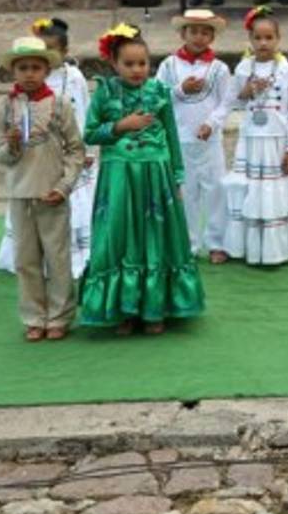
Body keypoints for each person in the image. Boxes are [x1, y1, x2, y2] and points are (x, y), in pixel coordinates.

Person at [80, 24, 206, 335]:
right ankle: (124, 309)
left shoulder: (158, 91)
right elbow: (91, 133)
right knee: (120, 238)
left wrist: (177, 174)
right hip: (119, 176)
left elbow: (172, 136)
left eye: (142, 63)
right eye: (129, 64)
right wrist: (122, 125)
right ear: (114, 63)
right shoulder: (104, 92)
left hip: (156, 174)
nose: (137, 70)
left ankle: (155, 308)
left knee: (156, 236)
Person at [0, 37, 85, 342]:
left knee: (57, 259)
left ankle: (59, 316)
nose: (29, 73)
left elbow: (75, 150)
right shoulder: (4, 107)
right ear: (13, 71)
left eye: (36, 67)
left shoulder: (58, 105)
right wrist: (11, 145)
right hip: (20, 193)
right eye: (23, 68)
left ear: (47, 70)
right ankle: (33, 316)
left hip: (52, 193)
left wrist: (65, 185)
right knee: (26, 260)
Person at [222, 6, 288, 265]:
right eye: (258, 38)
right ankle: (254, 248)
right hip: (253, 140)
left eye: (269, 37)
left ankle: (281, 249)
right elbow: (233, 101)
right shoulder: (244, 68)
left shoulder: (286, 71)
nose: (263, 43)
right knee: (254, 190)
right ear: (250, 39)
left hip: (278, 140)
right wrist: (246, 91)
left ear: (278, 39)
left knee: (278, 190)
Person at [0, 17, 96, 279]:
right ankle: (31, 259)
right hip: (35, 157)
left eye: (52, 52)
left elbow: (84, 111)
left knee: (67, 201)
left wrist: (85, 148)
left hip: (67, 153)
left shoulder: (74, 78)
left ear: (63, 52)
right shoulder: (27, 83)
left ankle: (72, 258)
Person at [156, 9, 235, 265]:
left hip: (209, 141)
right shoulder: (169, 65)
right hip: (179, 139)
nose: (199, 37)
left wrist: (212, 124)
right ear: (183, 33)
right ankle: (188, 244)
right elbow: (155, 97)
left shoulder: (219, 68)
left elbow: (225, 103)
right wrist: (180, 90)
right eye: (193, 31)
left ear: (212, 36)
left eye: (205, 32)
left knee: (216, 190)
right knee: (186, 193)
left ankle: (217, 243)